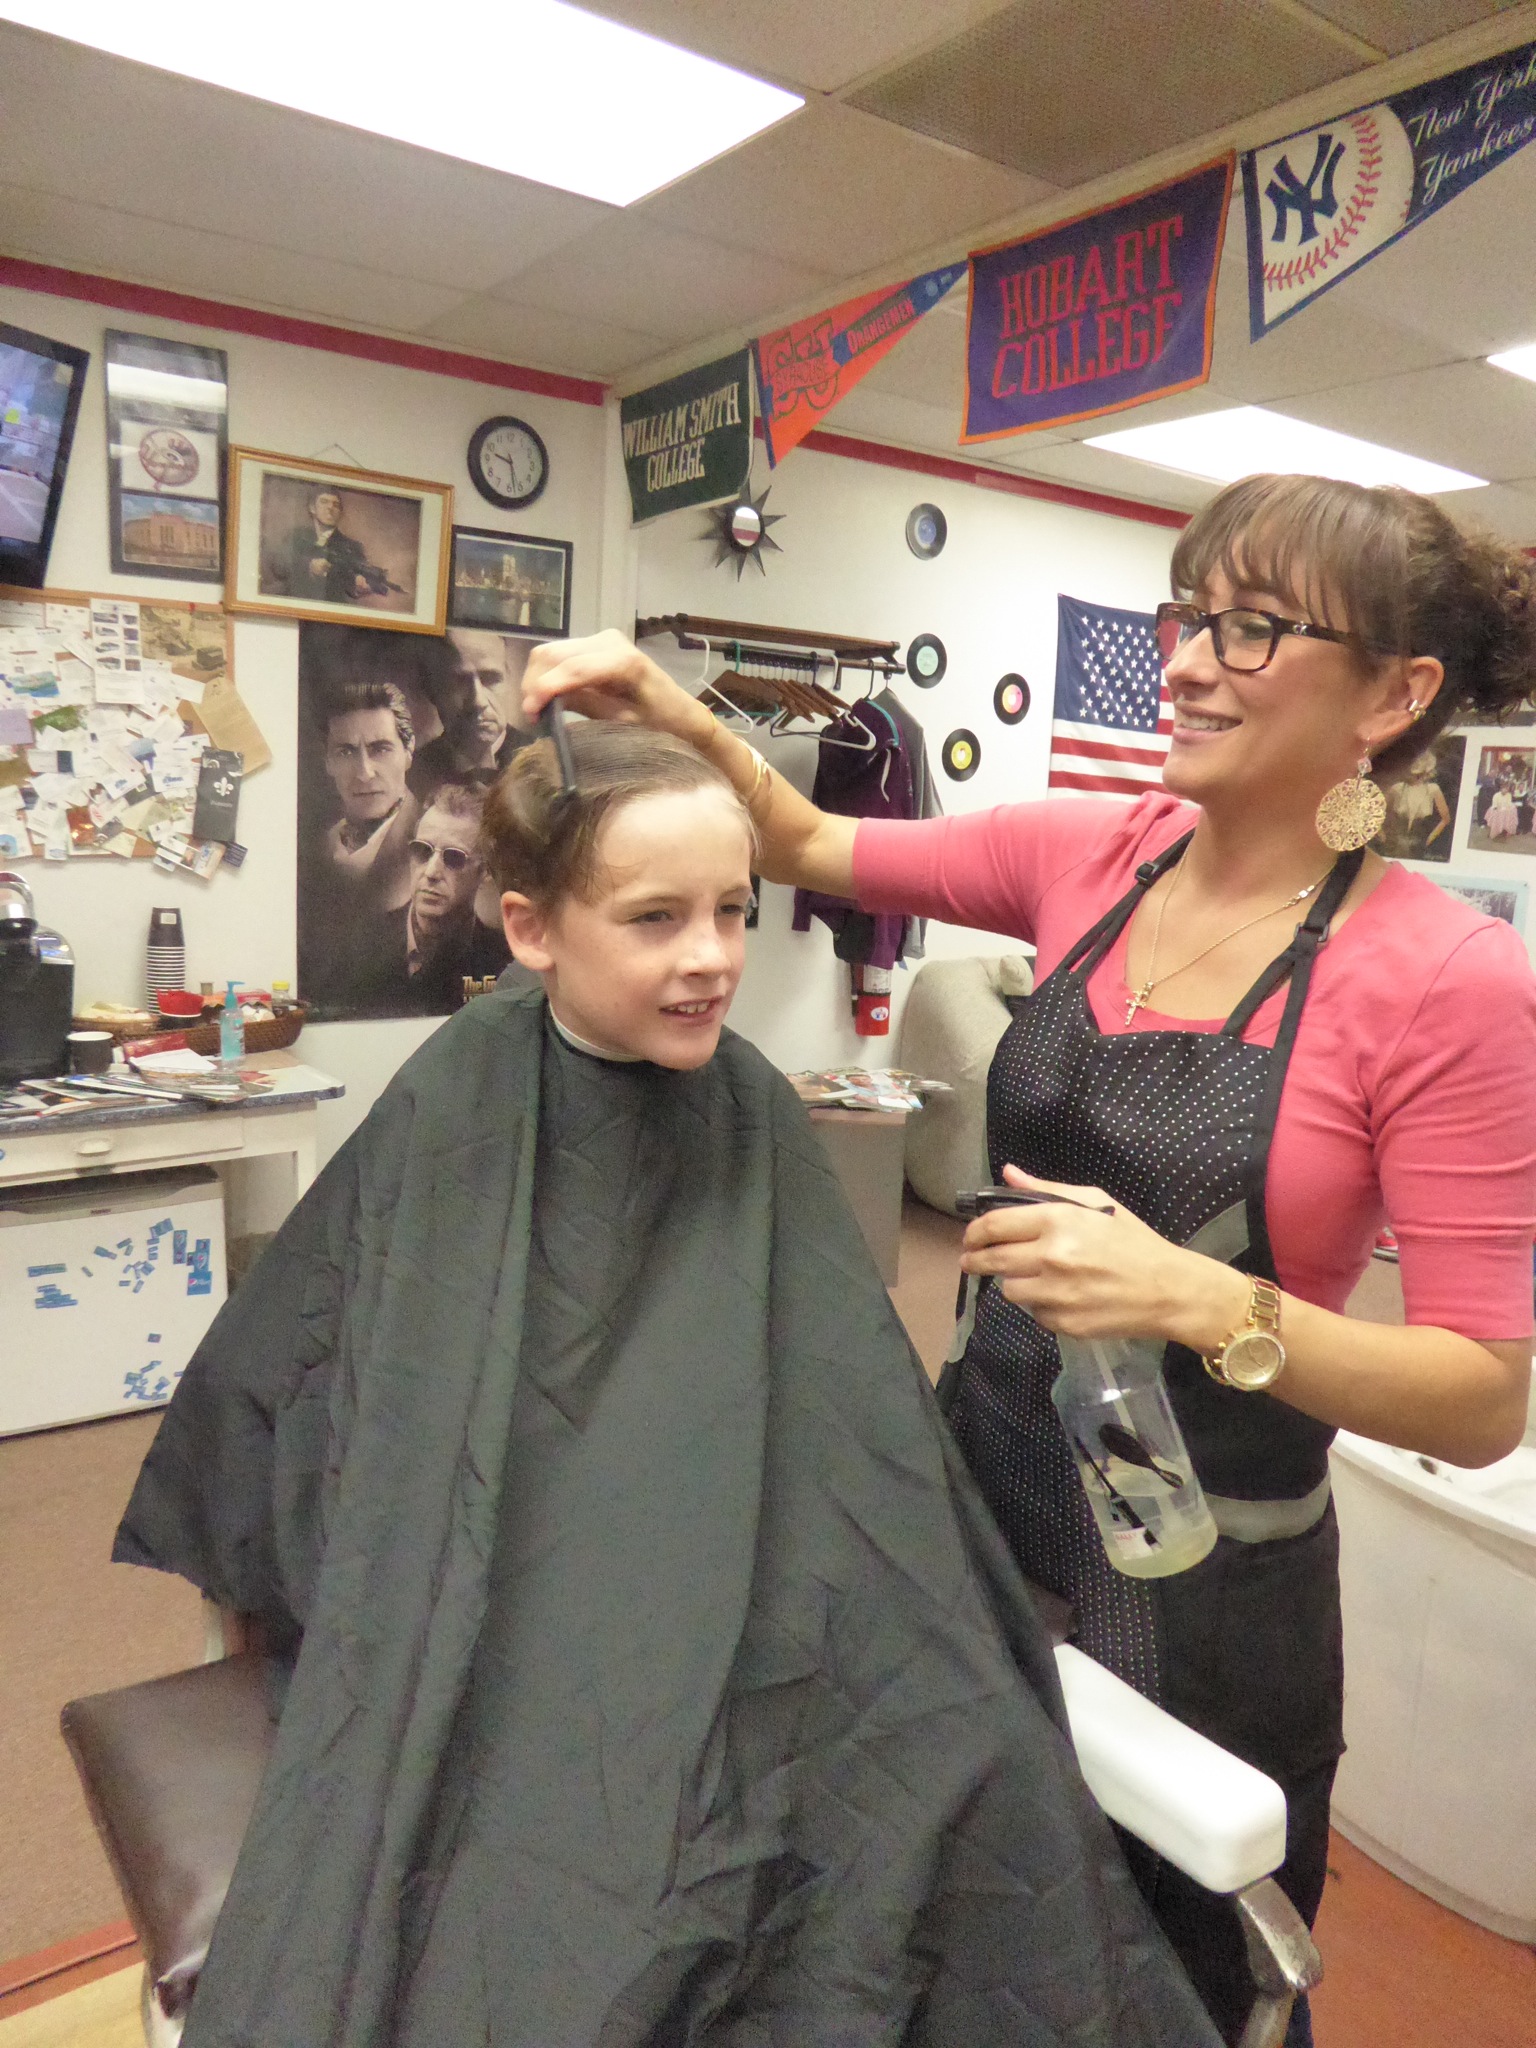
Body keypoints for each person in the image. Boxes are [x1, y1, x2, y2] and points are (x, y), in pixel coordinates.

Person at [520, 474, 1536, 2048]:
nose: (1186, 661)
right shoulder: (1093, 853)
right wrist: (664, 703)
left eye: (1251, 629)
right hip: (982, 1492)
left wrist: (1205, 1299)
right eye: (1188, 614)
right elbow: (803, 836)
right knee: (939, 1922)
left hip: (1206, 1585)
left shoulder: (1451, 981)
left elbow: (1481, 1398)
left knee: (1145, 1976)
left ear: (1393, 698)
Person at [113, 722, 1217, 2048]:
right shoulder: (462, 1094)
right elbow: (353, 1386)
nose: (711, 958)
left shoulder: (753, 1110)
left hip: (776, 1574)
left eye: (733, 911)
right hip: (525, 1584)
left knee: (964, 1786)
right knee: (557, 1873)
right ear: (532, 929)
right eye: (655, 918)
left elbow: (848, 1415)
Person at [347, 780, 514, 1016]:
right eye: (422, 850)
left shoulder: (504, 962)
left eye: (454, 857)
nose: (431, 872)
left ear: (485, 869)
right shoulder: (359, 946)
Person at [316, 678, 420, 910]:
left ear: (408, 752)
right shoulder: (321, 847)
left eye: (381, 749)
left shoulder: (428, 844)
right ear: (328, 762)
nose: (364, 773)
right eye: (345, 753)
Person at [408, 628, 530, 795]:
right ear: (431, 690)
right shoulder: (410, 773)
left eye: (490, 679)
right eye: (459, 682)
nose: (478, 701)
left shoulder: (546, 760)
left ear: (508, 680)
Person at [266, 486, 386, 605]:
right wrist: (309, 566)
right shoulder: (296, 537)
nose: (330, 507)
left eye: (336, 505)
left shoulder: (352, 547)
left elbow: (353, 586)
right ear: (312, 508)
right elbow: (278, 565)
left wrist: (358, 587)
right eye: (324, 502)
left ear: (340, 513)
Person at [1378, 747, 1450, 859]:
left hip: (1419, 846)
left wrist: (1429, 839)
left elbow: (1446, 819)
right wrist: (1382, 835)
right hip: (1394, 845)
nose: (1415, 777)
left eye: (1419, 774)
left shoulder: (1433, 789)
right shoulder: (1397, 788)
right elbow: (1375, 811)